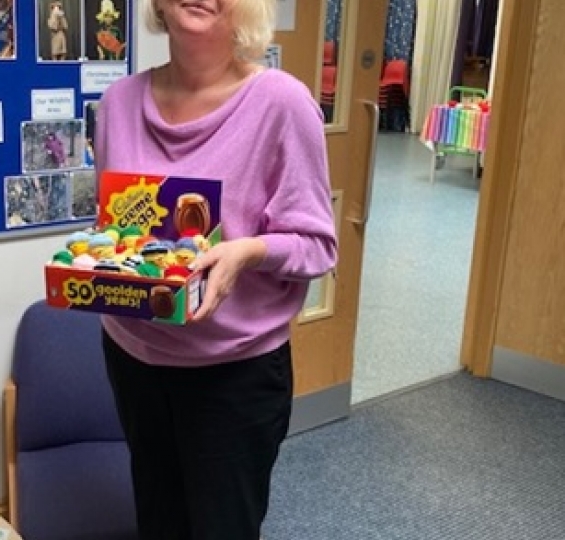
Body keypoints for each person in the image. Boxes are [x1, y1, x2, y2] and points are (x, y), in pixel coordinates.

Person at [93, 1, 338, 540]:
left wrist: (247, 252)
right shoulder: (117, 103)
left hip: (234, 374)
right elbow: (115, 230)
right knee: (159, 522)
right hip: (134, 358)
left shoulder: (282, 103)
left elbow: (318, 246)